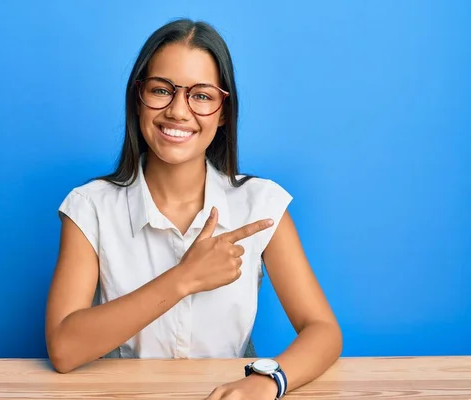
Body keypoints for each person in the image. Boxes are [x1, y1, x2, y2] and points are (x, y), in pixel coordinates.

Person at [45, 19, 342, 399]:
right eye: (161, 90)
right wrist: (185, 277)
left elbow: (323, 329)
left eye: (201, 95)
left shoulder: (261, 204)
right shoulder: (90, 207)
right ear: (137, 98)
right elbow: (64, 349)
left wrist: (266, 383)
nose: (178, 111)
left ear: (223, 111)